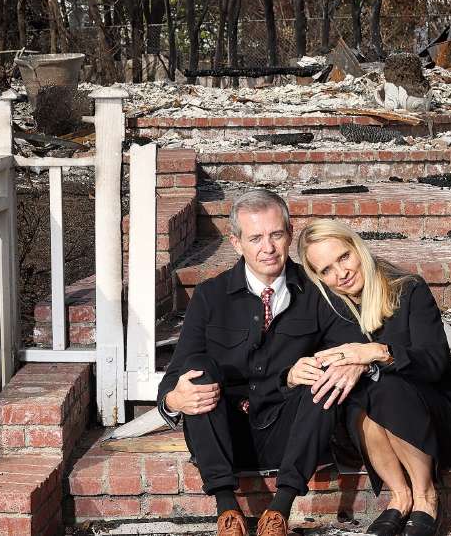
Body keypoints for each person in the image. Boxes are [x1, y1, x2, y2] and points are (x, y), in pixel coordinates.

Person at [157, 190, 367, 536]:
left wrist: (336, 362)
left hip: (290, 434)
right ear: (237, 243)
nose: (267, 248)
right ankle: (227, 511)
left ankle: (278, 513)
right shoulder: (210, 296)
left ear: (289, 234)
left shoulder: (316, 292)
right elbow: (176, 376)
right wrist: (173, 399)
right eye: (255, 238)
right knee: (197, 369)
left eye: (276, 235)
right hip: (225, 434)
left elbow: (353, 344)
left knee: (323, 376)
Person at [297, 220, 451, 536]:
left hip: (442, 425)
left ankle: (426, 497)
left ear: (357, 248)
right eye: (326, 270)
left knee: (386, 386)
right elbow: (296, 357)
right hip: (373, 430)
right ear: (317, 276)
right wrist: (293, 371)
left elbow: (434, 363)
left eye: (344, 257)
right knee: (365, 395)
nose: (341, 273)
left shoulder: (408, 289)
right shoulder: (327, 308)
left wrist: (378, 353)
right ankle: (400, 496)